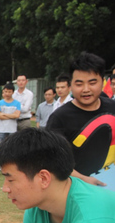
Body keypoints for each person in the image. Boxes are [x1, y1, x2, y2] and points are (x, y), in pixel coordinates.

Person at [47, 52, 115, 186]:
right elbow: (53, 160)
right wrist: (84, 180)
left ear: (102, 81)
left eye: (92, 83)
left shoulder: (113, 107)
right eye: (79, 84)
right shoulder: (59, 118)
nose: (86, 89)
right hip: (76, 190)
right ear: (71, 85)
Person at [0, 83, 21, 176]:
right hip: (1, 130)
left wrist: (3, 114)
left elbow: (17, 115)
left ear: (12, 92)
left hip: (12, 130)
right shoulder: (0, 103)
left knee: (12, 150)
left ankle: (11, 169)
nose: (7, 93)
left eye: (9, 91)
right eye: (5, 91)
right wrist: (10, 116)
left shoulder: (17, 103)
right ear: (3, 92)